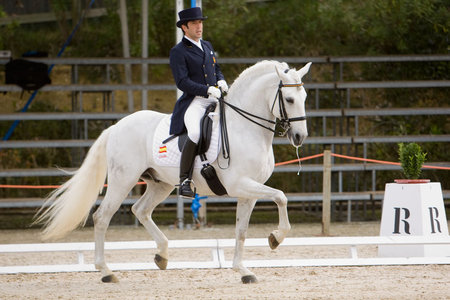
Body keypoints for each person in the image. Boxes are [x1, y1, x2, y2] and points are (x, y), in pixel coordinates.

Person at [169, 7, 228, 198]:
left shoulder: (207, 46)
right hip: (195, 101)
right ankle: (185, 180)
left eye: (200, 22)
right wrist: (206, 89)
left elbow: (215, 68)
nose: (199, 26)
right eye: (194, 23)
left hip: (214, 98)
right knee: (194, 132)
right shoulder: (178, 51)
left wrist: (220, 80)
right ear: (185, 27)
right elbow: (182, 82)